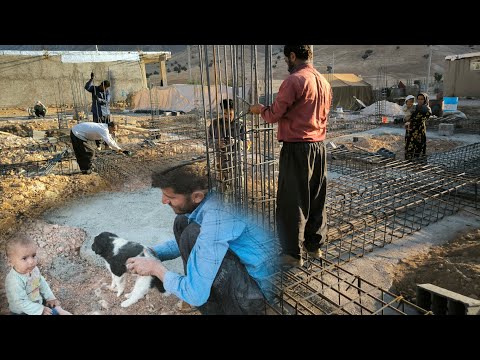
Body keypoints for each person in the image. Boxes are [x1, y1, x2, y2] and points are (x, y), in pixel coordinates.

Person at [125, 163, 277, 315]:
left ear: (197, 196)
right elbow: (200, 244)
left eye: (170, 197)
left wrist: (155, 268)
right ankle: (198, 291)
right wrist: (153, 252)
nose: (163, 201)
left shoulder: (216, 219)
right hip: (245, 274)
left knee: (191, 233)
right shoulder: (210, 200)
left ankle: (216, 308)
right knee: (182, 222)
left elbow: (196, 293)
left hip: (253, 297)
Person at [249, 45, 332, 268]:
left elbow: (275, 114)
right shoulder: (323, 82)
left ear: (293, 56)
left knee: (291, 201)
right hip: (318, 147)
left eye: (287, 58)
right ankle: (314, 247)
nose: (287, 62)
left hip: (297, 149)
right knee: (316, 198)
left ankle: (292, 254)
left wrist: (260, 110)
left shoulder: (294, 80)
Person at [5, 235, 72, 315]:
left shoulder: (33, 269)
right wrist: (40, 310)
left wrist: (50, 298)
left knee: (52, 304)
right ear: (11, 262)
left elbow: (41, 283)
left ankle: (59, 310)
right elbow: (21, 302)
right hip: (23, 310)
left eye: (33, 256)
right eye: (24, 258)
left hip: (36, 299)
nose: (31, 261)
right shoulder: (14, 281)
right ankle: (55, 311)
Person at [208, 98, 246, 190]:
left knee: (237, 186)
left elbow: (247, 144)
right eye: (225, 114)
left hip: (235, 160)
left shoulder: (240, 125)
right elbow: (208, 142)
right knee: (221, 185)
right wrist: (217, 143)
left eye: (230, 114)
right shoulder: (215, 124)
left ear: (234, 112)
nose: (227, 116)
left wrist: (235, 141)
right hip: (220, 159)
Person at [405, 92, 431, 160]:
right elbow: (408, 116)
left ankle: (418, 160)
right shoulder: (414, 107)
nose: (420, 100)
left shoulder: (427, 109)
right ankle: (409, 160)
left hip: (419, 130)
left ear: (425, 100)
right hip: (410, 130)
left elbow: (421, 119)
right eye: (418, 99)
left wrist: (411, 121)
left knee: (419, 145)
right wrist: (406, 121)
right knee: (409, 145)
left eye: (422, 99)